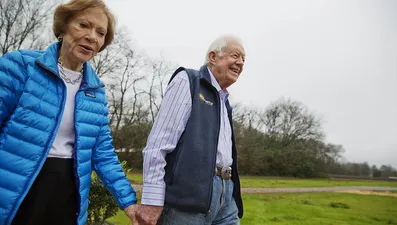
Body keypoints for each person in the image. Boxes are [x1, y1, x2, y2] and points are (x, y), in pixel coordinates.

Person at [0, 0, 138, 224]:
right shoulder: (20, 66)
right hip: (17, 189)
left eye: (100, 33)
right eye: (83, 25)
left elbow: (102, 153)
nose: (92, 36)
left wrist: (129, 204)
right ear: (63, 27)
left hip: (68, 195)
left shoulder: (96, 91)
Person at [135, 35, 246, 225]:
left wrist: (231, 194)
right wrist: (152, 200)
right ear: (213, 56)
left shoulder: (225, 103)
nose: (240, 63)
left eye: (244, 59)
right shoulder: (188, 81)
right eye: (235, 55)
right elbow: (158, 144)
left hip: (226, 199)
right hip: (187, 201)